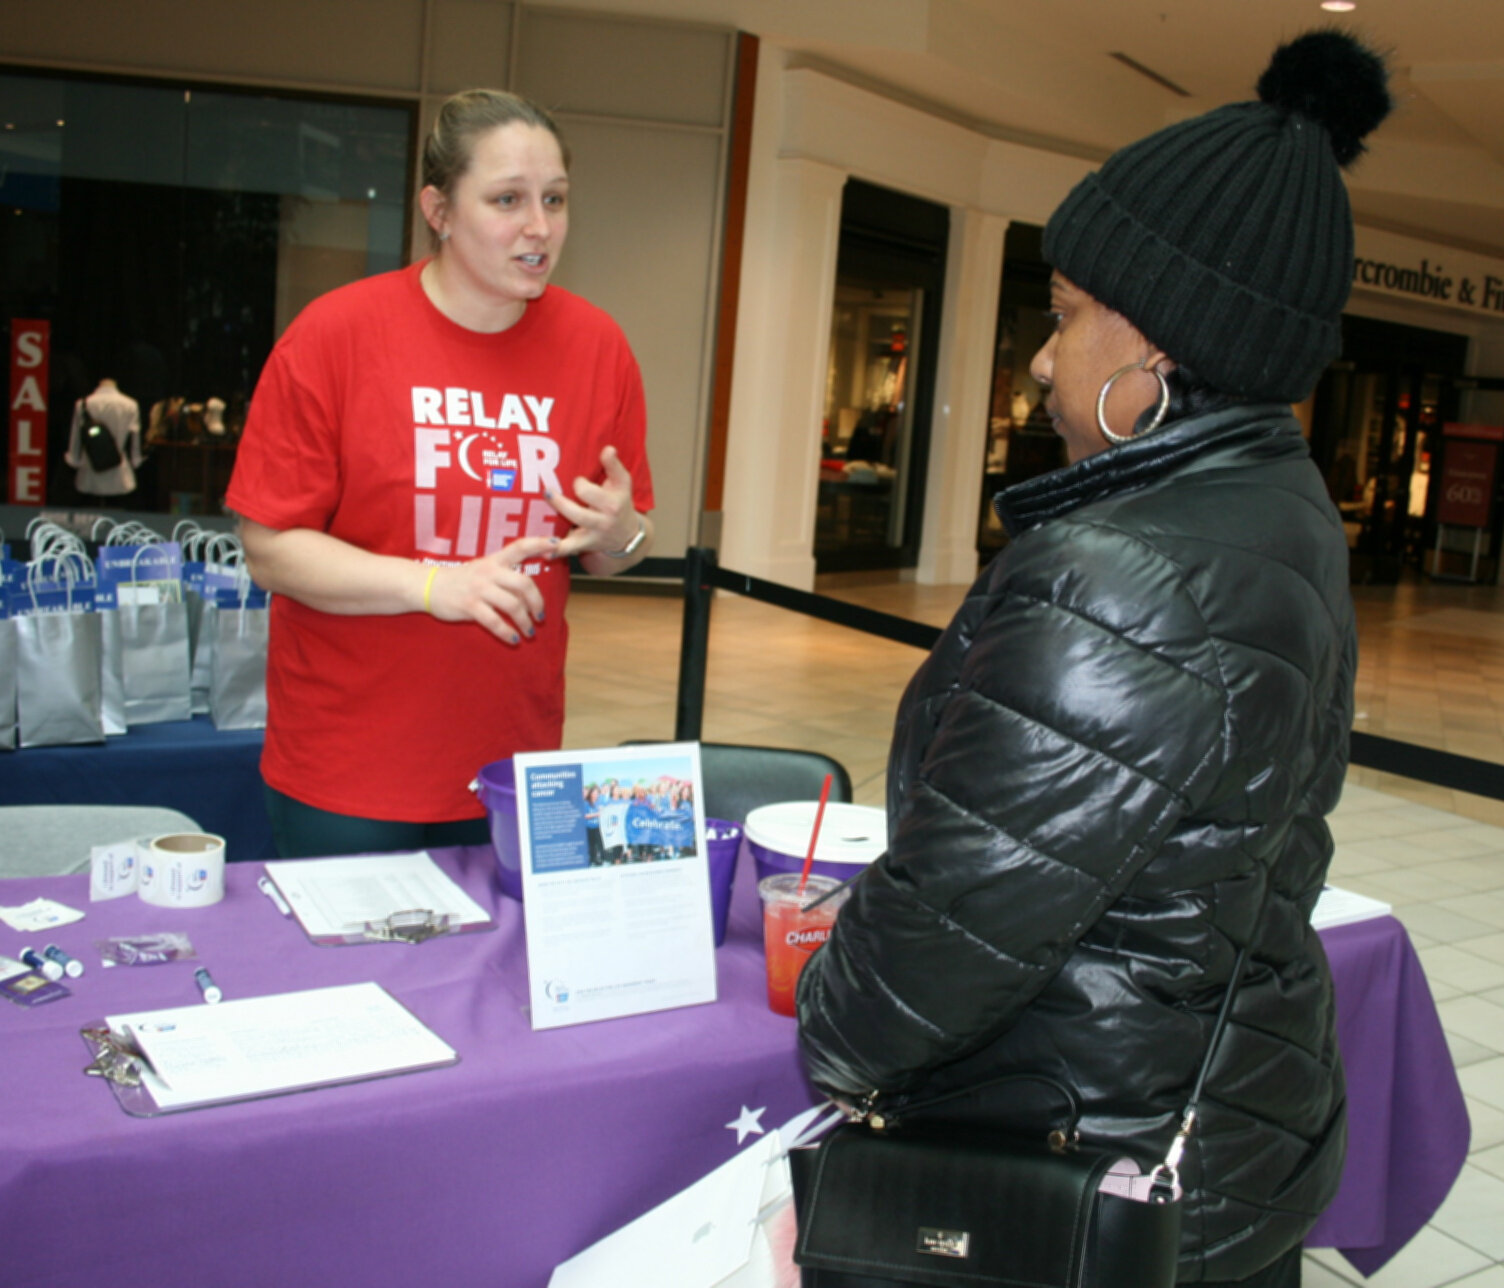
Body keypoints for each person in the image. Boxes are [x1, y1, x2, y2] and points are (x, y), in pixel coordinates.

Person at [796, 31, 1392, 1287]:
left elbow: (929, 961)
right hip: (1218, 1150)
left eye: (1065, 315)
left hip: (1074, 1169)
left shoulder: (1116, 578)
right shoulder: (1283, 508)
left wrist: (830, 1011)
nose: (1041, 355)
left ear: (1161, 346)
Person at [227, 89, 654, 859]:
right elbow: (269, 549)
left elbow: (609, 553)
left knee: (496, 980)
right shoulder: (337, 335)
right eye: (507, 200)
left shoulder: (598, 348)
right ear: (439, 209)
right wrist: (435, 585)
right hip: (349, 768)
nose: (540, 226)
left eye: (554, 199)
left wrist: (624, 533)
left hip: (512, 765)